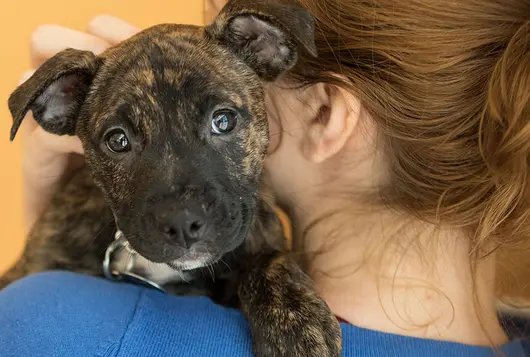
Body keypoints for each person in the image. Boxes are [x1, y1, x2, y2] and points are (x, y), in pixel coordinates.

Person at [1, 0, 530, 356]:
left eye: (223, 120)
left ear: (325, 115)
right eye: (119, 140)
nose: (184, 216)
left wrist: (39, 264)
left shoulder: (55, 325)